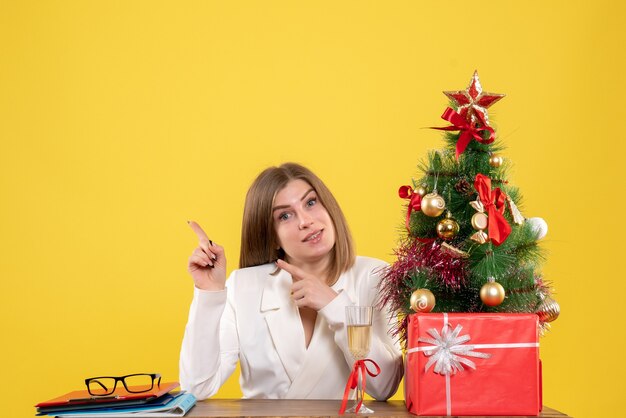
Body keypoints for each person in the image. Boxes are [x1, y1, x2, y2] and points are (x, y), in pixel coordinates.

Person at [179, 162, 403, 400]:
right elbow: (197, 387)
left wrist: (335, 306)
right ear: (271, 236)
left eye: (311, 202)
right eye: (285, 216)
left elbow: (384, 387)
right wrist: (209, 293)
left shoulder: (373, 275)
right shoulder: (243, 285)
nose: (305, 221)